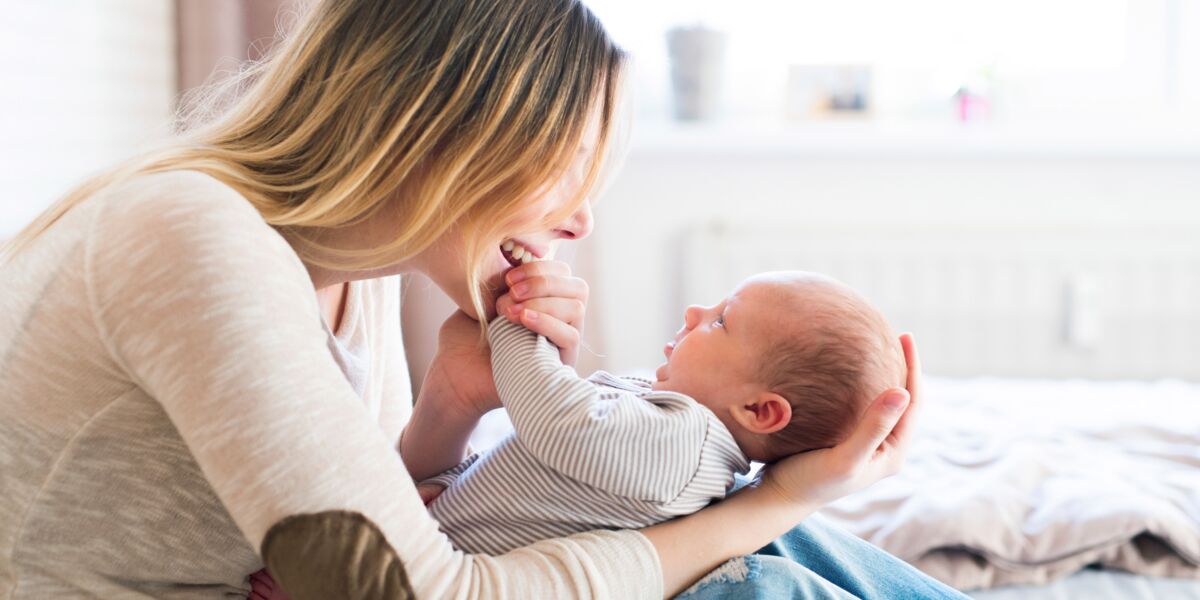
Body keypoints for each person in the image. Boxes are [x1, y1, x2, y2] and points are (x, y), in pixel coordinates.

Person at [0, 1, 943, 598]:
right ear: (455, 134)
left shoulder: (343, 271)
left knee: (780, 557)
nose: (576, 223)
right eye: (570, 172)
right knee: (749, 573)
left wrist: (449, 406)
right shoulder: (193, 237)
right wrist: (770, 500)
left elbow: (350, 519)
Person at [414, 271, 905, 555]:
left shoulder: (684, 449)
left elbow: (558, 419)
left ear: (758, 409)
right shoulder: (671, 420)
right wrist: (456, 482)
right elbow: (534, 471)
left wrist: (519, 325)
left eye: (721, 321)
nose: (694, 312)